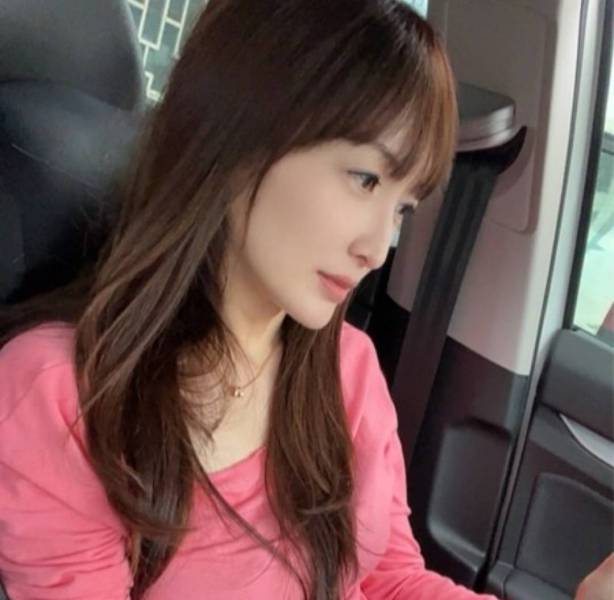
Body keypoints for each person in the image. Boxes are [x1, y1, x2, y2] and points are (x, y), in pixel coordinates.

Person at [0, 1, 608, 599]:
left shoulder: (350, 370)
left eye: (402, 208)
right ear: (243, 137)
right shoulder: (66, 398)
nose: (378, 248)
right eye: (365, 179)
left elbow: (388, 580)